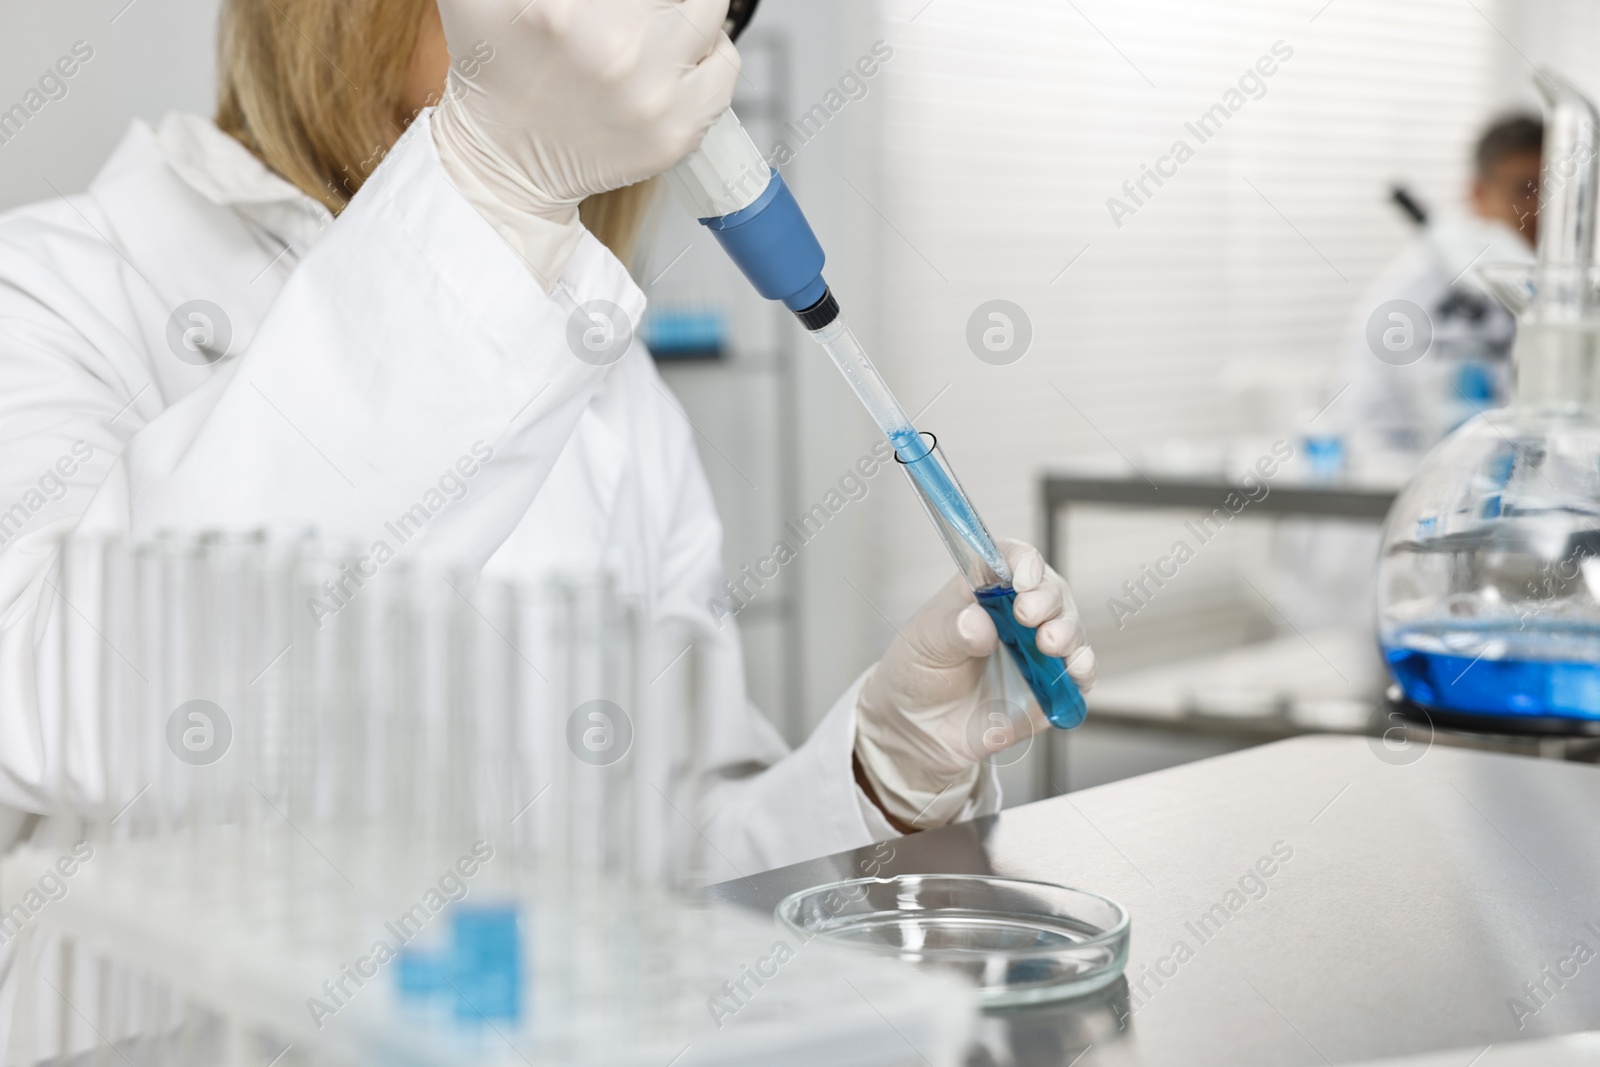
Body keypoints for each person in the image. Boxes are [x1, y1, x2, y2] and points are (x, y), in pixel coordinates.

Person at [0, 0, 1095, 897]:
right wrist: (489, 178)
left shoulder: (609, 388)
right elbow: (72, 715)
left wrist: (878, 774)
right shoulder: (52, 289)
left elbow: (660, 869)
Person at [1331, 114, 1541, 461]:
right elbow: (1361, 423)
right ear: (1478, 194)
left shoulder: (1574, 300)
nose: (1541, 209)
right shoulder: (1409, 294)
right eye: (1526, 190)